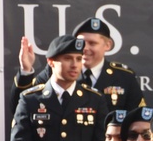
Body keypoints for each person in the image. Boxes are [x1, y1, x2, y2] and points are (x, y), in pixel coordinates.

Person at [11, 16, 144, 115]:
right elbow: (21, 108)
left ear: (107, 45)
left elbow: (137, 119)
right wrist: (26, 70)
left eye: (92, 43)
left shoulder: (124, 77)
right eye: (81, 43)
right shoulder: (56, 72)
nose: (85, 48)